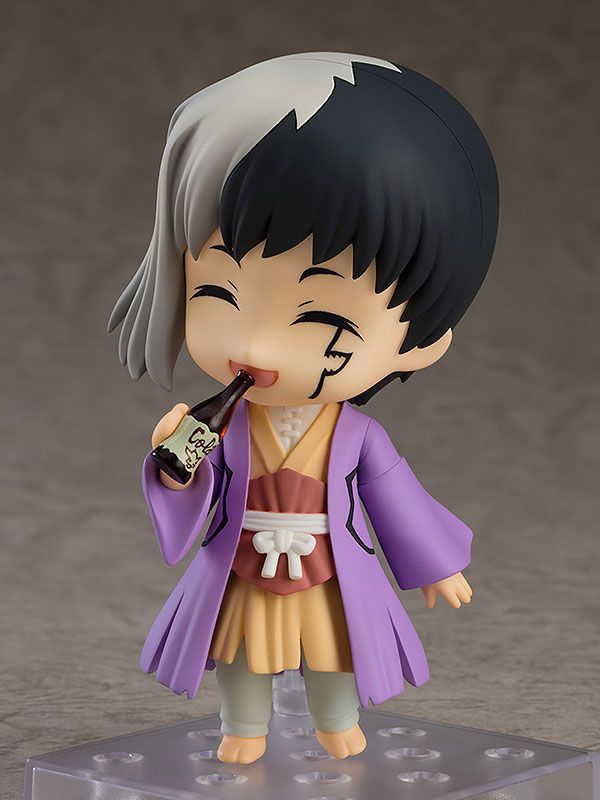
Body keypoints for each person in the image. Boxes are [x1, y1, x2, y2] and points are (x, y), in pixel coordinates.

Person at [109, 52, 499, 764]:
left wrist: (436, 563)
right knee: (240, 652)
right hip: (241, 564)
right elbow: (189, 487)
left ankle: (335, 722)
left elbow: (397, 500)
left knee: (333, 652)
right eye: (218, 294)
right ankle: (243, 728)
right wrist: (174, 467)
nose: (256, 343)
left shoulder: (358, 436)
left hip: (330, 569)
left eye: (321, 319)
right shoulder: (222, 424)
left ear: (420, 341)